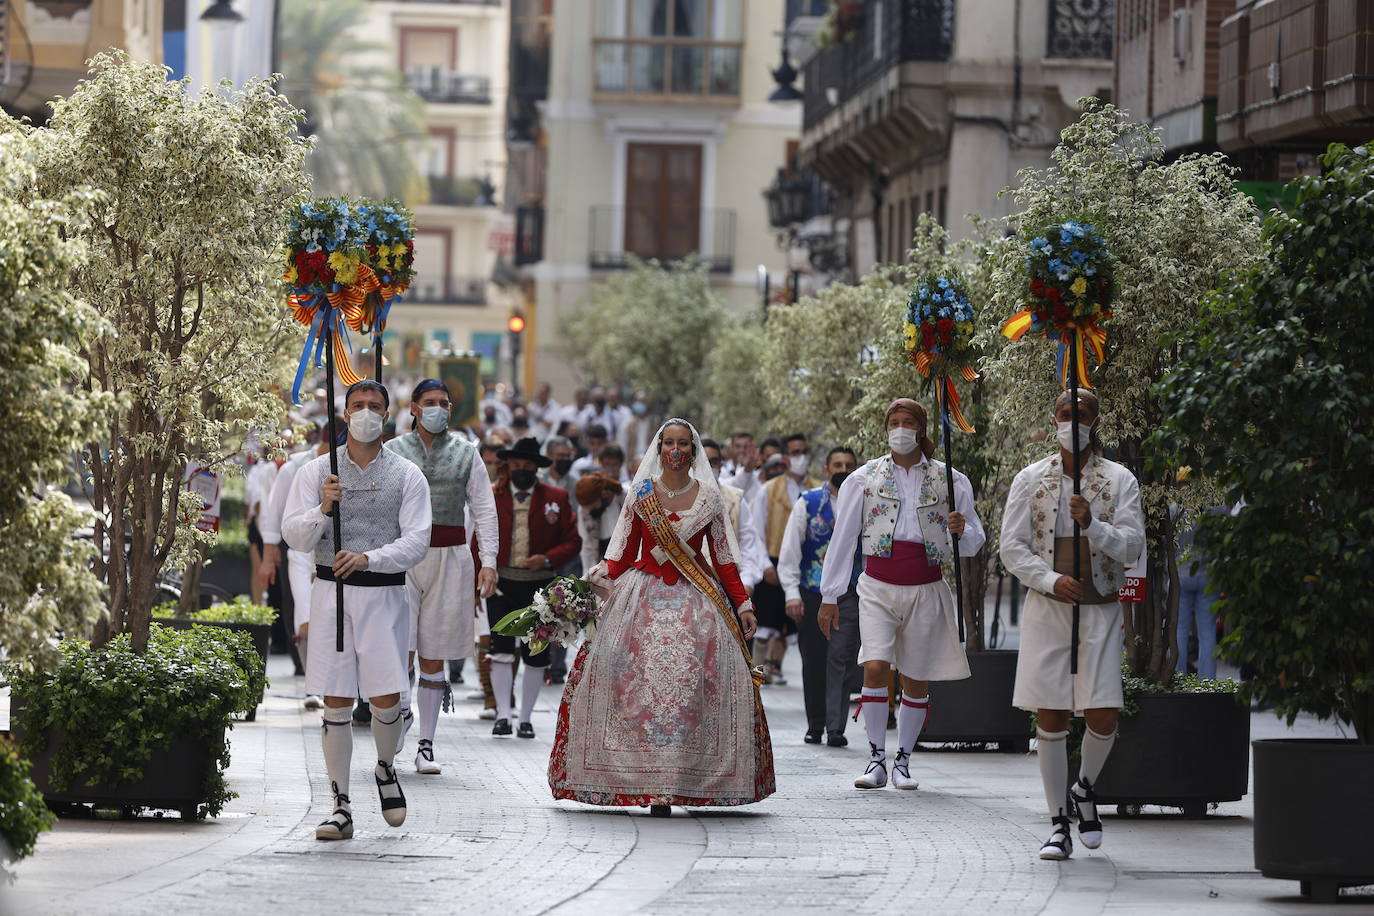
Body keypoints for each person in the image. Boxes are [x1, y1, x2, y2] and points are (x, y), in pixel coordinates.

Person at [550, 420, 775, 815]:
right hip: (641, 599)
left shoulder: (708, 498)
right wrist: (587, 587)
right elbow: (621, 553)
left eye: (682, 443)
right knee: (630, 681)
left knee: (694, 688)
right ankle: (643, 780)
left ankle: (681, 778)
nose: (675, 449)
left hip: (697, 601)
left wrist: (742, 605)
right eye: (668, 443)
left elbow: (723, 560)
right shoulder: (641, 494)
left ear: (693, 449)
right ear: (659, 449)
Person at [282, 380, 432, 841]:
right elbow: (293, 535)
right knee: (337, 699)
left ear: (387, 416)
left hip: (384, 597)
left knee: (386, 697)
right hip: (332, 594)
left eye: (374, 406)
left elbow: (417, 541)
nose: (366, 412)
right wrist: (323, 510)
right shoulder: (315, 473)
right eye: (358, 405)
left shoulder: (408, 475)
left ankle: (386, 767)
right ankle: (340, 804)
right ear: (345, 414)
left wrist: (371, 558)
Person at [1000, 388, 1144, 860]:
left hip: (1099, 604)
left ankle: (1084, 789)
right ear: (1054, 418)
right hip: (1049, 604)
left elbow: (1132, 546)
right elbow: (1012, 547)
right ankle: (1058, 821)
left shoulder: (1119, 479)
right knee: (1051, 712)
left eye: (1082, 413)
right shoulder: (1030, 478)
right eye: (1066, 413)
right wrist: (1050, 578)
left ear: (1096, 420)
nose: (1073, 420)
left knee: (1102, 712)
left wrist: (1093, 526)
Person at [818, 399, 985, 791]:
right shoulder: (863, 478)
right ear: (885, 428)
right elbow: (844, 540)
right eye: (894, 422)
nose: (901, 428)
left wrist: (961, 530)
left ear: (922, 428)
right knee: (875, 666)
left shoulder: (952, 481)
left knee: (915, 676)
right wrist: (831, 594)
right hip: (877, 584)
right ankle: (876, 757)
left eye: (908, 422)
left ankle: (904, 761)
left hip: (926, 585)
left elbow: (973, 543)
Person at [384, 379, 500, 775]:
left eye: (445, 403)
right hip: (402, 556)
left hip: (450, 556)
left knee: (433, 652)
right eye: (430, 402)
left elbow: (484, 509)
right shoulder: (393, 451)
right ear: (413, 407)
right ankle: (400, 713)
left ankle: (427, 746)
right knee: (402, 646)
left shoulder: (467, 453)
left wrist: (489, 561)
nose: (438, 409)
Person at [486, 437, 581, 738]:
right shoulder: (493, 496)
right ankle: (503, 714)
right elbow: (480, 537)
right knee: (500, 649)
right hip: (501, 583)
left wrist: (547, 558)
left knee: (536, 652)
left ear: (536, 468)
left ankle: (525, 718)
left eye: (528, 466)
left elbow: (573, 541)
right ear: (508, 467)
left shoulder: (557, 497)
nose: (522, 471)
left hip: (539, 587)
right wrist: (480, 575)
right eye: (516, 466)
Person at [779, 446, 863, 746]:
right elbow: (790, 552)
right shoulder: (809, 502)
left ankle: (836, 727)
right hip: (813, 591)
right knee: (814, 660)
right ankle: (815, 724)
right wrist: (791, 593)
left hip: (850, 592)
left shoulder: (865, 501)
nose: (843, 469)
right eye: (837, 464)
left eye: (849, 464)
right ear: (827, 469)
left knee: (841, 658)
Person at [260, 421, 333, 706]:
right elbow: (273, 512)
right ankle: (311, 685)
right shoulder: (296, 467)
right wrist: (268, 555)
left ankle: (334, 685)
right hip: (302, 552)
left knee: (333, 620)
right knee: (305, 615)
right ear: (322, 443)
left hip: (337, 555)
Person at [753, 434, 819, 685]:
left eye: (802, 451)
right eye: (793, 452)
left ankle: (776, 668)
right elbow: (756, 532)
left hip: (808, 566)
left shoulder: (817, 488)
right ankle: (756, 677)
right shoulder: (768, 490)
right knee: (764, 627)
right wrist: (766, 565)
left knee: (788, 625)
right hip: (773, 561)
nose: (798, 457)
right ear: (785, 457)